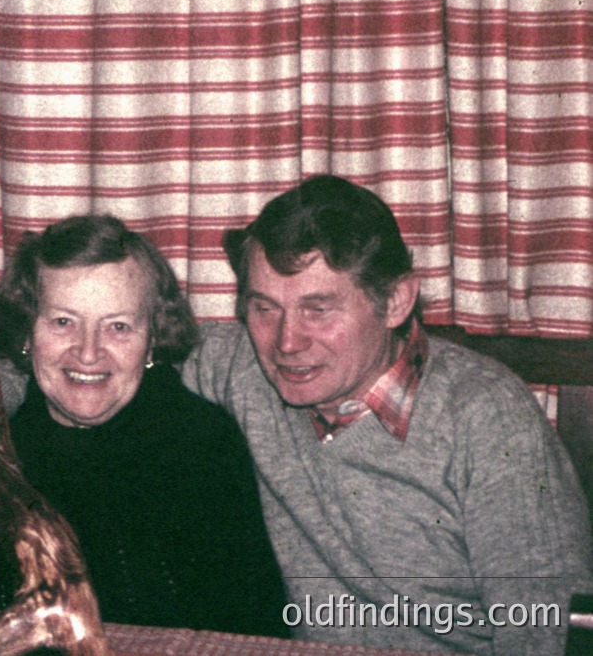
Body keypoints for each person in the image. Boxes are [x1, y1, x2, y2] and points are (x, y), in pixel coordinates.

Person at [186, 174, 593, 655]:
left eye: (318, 309)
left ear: (396, 301)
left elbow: (551, 630)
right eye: (264, 309)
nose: (286, 342)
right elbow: (122, 351)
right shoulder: (241, 367)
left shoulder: (486, 417)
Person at [0, 214, 288, 636]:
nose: (88, 353)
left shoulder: (201, 445)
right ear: (26, 332)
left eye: (119, 327)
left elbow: (250, 624)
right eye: (63, 322)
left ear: (152, 339)